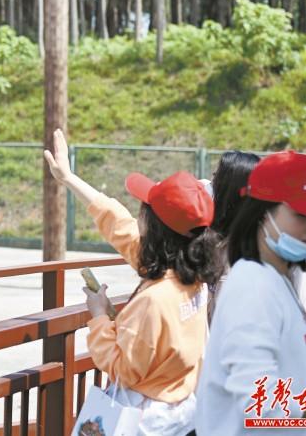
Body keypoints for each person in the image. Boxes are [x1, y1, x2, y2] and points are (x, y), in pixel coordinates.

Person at [45, 129, 223, 436]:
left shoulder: (155, 299)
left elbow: (123, 369)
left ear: (154, 227)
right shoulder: (193, 277)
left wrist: (99, 318)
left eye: (143, 212)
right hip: (181, 413)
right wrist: (69, 179)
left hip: (145, 422)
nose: (138, 219)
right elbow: (120, 228)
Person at [195, 151, 306, 434]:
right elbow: (258, 406)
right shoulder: (253, 288)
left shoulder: (275, 279)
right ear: (262, 212)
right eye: (302, 214)